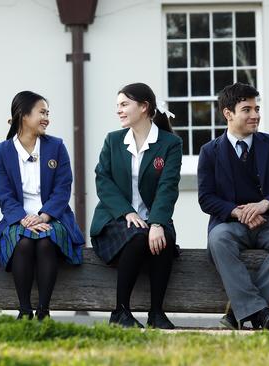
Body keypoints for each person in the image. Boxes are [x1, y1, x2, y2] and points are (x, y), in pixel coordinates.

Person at [197, 82, 269, 330]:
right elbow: (206, 198)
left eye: (256, 108)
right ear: (228, 114)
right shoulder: (209, 152)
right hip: (230, 224)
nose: (255, 115)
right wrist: (238, 212)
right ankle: (260, 313)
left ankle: (240, 311)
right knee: (218, 240)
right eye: (247, 109)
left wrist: (264, 204)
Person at [0, 91, 85, 320]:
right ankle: (24, 310)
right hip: (17, 218)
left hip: (53, 217)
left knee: (45, 243)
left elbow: (63, 188)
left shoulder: (56, 147)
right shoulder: (1, 152)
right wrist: (23, 218)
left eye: (47, 113)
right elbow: (2, 193)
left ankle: (43, 310)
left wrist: (44, 216)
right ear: (23, 115)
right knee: (23, 242)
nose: (46, 118)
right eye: (42, 112)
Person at [90, 82, 182, 329]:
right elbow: (103, 179)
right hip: (115, 221)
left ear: (143, 107)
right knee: (139, 237)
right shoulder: (113, 140)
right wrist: (127, 212)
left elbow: (168, 187)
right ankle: (120, 312)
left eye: (124, 104)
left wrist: (157, 223)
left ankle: (156, 313)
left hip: (154, 219)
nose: (119, 110)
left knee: (162, 240)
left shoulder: (170, 144)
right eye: (117, 105)